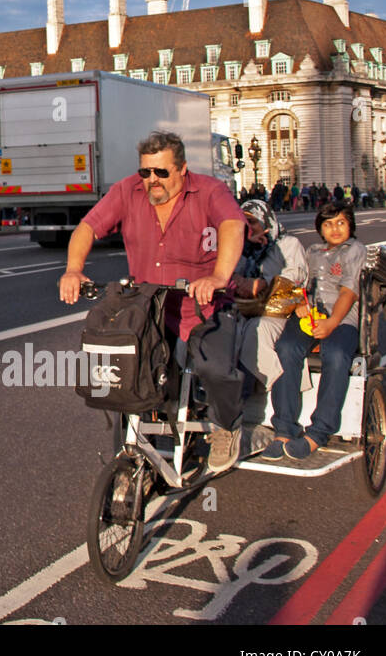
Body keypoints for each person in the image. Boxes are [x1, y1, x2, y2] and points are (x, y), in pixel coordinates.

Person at [59, 131, 246, 472]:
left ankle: (227, 426)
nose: (152, 180)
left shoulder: (209, 191)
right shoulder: (128, 191)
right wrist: (74, 270)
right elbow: (87, 227)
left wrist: (218, 277)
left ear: (182, 169)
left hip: (203, 307)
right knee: (129, 378)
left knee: (214, 369)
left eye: (161, 172)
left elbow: (233, 224)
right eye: (146, 172)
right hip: (150, 309)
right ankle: (134, 459)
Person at [260, 202, 365, 461]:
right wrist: (297, 304)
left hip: (341, 319)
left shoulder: (355, 250)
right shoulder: (313, 251)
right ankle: (283, 428)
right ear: (320, 229)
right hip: (310, 315)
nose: (335, 229)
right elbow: (301, 284)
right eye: (328, 224)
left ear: (350, 224)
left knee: (336, 354)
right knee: (285, 348)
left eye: (340, 222)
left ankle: (319, 431)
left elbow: (348, 291)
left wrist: (331, 323)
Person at [230, 199, 307, 393]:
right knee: (227, 332)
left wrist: (264, 283)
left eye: (253, 222)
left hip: (280, 309)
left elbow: (295, 278)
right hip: (247, 308)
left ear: (266, 221)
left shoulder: (288, 244)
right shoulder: (241, 247)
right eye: (244, 223)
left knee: (256, 331)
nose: (249, 227)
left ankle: (277, 386)